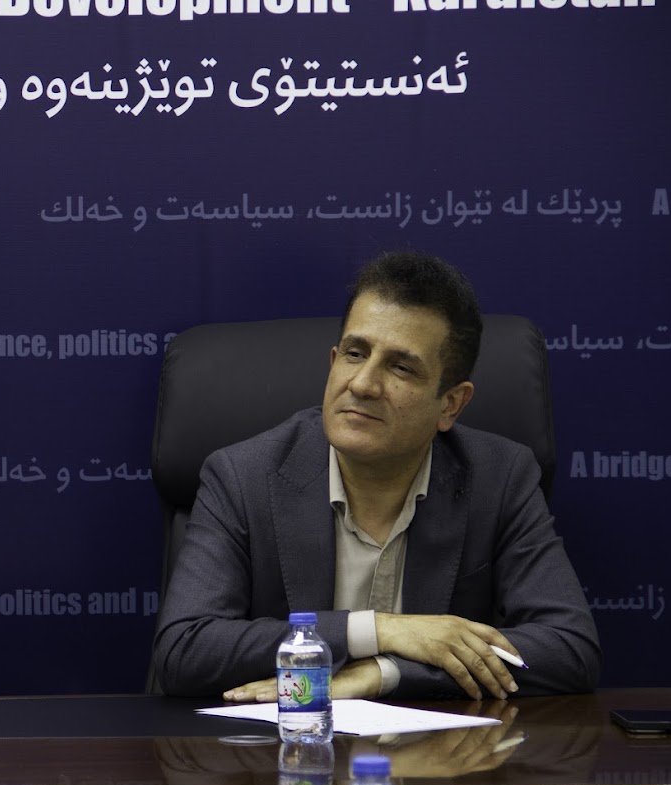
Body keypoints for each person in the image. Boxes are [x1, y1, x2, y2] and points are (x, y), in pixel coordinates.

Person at [151, 252, 600, 702]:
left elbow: (569, 648)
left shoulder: (499, 478)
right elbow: (185, 650)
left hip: (439, 747)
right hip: (290, 742)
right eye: (355, 354)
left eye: (401, 367)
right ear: (333, 361)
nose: (363, 384)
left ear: (450, 404)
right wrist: (380, 631)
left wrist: (386, 673)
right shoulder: (242, 476)